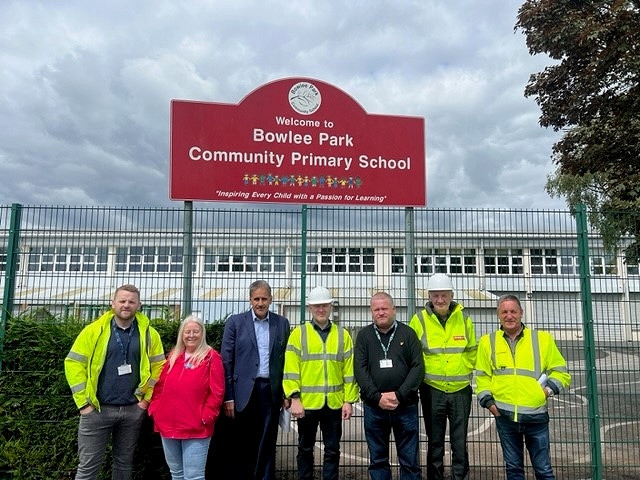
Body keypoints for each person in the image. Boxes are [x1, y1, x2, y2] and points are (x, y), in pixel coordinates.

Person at [64, 284, 166, 480]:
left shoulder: (149, 334)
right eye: (122, 301)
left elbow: (159, 369)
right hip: (97, 410)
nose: (126, 305)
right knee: (88, 467)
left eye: (131, 302)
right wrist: (83, 404)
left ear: (139, 305)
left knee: (124, 465)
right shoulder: (93, 331)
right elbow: (73, 363)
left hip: (132, 411)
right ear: (113, 303)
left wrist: (144, 402)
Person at [475, 294, 571, 480]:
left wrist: (546, 391)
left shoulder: (542, 339)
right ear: (498, 315)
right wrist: (489, 403)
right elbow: (482, 376)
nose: (509, 316)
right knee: (514, 470)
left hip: (536, 417)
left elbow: (561, 372)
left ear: (521, 313)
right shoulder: (488, 341)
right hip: (504, 417)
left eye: (513, 311)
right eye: (504, 312)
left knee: (543, 470)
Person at [283, 286, 359, 480]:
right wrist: (294, 398)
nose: (321, 309)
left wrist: (349, 400)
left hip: (334, 403)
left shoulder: (343, 335)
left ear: (330, 306)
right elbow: (291, 369)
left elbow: (349, 372)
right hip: (306, 404)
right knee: (305, 449)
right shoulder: (298, 334)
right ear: (310, 308)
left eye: (324, 305)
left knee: (333, 450)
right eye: (317, 306)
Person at [408, 273, 477, 480]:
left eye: (444, 295)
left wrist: (461, 369)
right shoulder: (418, 320)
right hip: (432, 389)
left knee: (459, 441)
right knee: (434, 441)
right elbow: (413, 355)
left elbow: (472, 351)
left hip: (460, 390)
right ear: (429, 296)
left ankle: (460, 477)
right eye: (435, 295)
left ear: (451, 295)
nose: (439, 300)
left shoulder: (464, 318)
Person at [220, 280, 290, 480]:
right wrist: (229, 397)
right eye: (256, 299)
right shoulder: (235, 322)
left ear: (271, 299)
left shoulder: (282, 323)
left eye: (264, 299)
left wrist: (285, 393)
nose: (260, 303)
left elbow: (285, 360)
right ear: (250, 300)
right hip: (243, 393)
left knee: (267, 443)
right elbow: (226, 361)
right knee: (242, 444)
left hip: (270, 391)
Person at [354, 292, 424, 480]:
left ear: (394, 309)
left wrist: (399, 395)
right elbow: (360, 370)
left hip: (405, 407)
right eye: (376, 309)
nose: (381, 312)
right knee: (378, 460)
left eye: (384, 308)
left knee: (410, 461)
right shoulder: (364, 336)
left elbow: (418, 367)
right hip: (374, 408)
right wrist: (378, 398)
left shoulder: (408, 334)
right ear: (371, 312)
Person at [148, 315, 225, 480]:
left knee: (193, 476)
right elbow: (160, 387)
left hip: (196, 427)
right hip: (167, 425)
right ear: (182, 334)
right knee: (176, 474)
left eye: (195, 331)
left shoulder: (211, 357)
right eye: (187, 331)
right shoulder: (174, 356)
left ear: (202, 333)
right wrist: (155, 409)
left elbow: (217, 392)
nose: (191, 335)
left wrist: (206, 417)